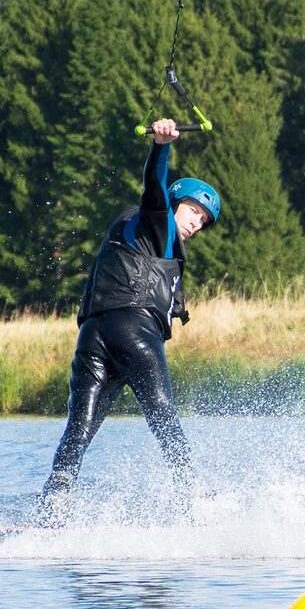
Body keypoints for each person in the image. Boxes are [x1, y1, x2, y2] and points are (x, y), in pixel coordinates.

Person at [41, 119, 220, 511]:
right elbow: (155, 186)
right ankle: (193, 496)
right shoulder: (156, 221)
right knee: (162, 414)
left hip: (93, 335)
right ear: (175, 204)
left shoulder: (131, 227)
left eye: (202, 221)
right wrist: (161, 146)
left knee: (80, 427)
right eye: (193, 211)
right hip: (133, 329)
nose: (195, 223)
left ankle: (52, 508)